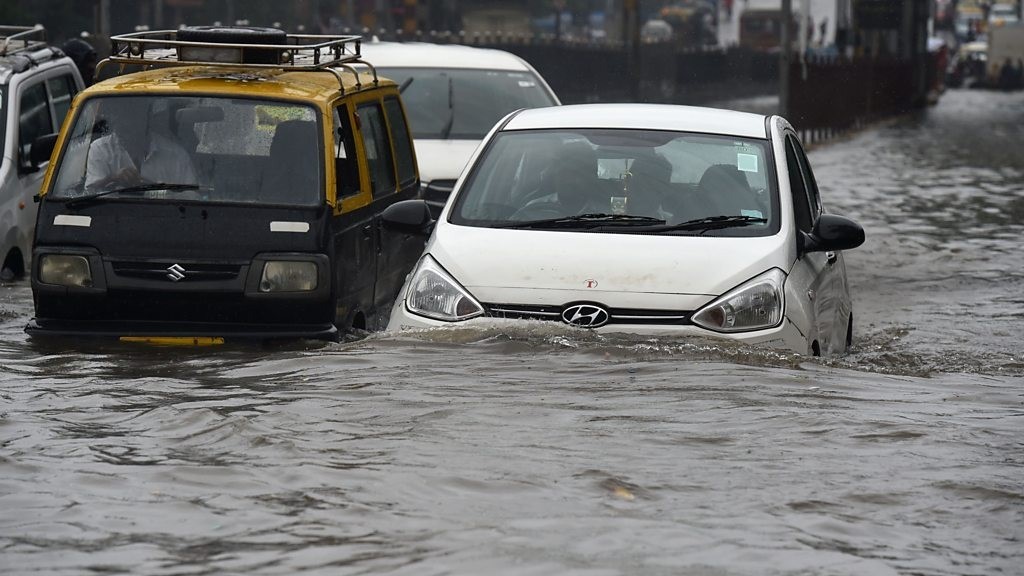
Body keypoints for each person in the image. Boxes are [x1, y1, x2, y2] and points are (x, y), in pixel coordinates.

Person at [85, 100, 198, 191]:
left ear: (145, 119)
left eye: (129, 120)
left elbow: (192, 198)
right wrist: (113, 178)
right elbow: (89, 193)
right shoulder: (100, 150)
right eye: (118, 123)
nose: (123, 128)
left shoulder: (175, 155)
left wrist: (154, 188)